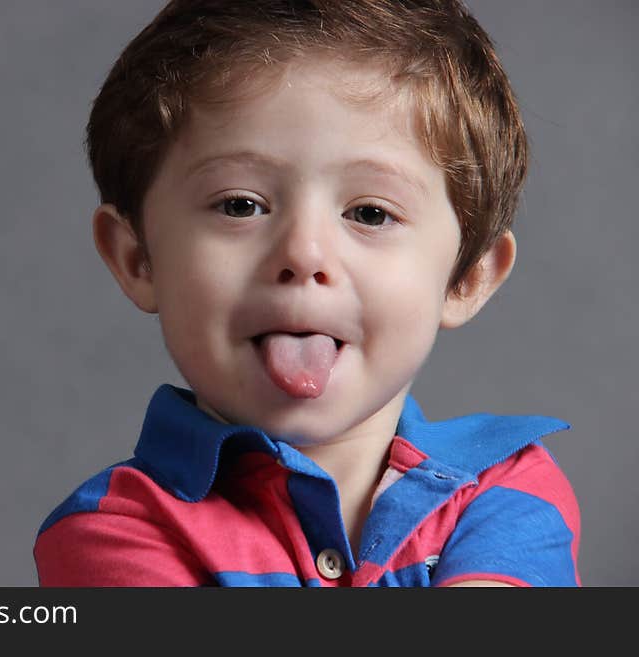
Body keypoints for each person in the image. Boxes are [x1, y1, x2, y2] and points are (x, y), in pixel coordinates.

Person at [34, 0, 581, 587]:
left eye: (371, 213)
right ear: (137, 257)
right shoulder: (113, 532)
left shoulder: (503, 489)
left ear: (465, 277)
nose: (304, 255)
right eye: (240, 205)